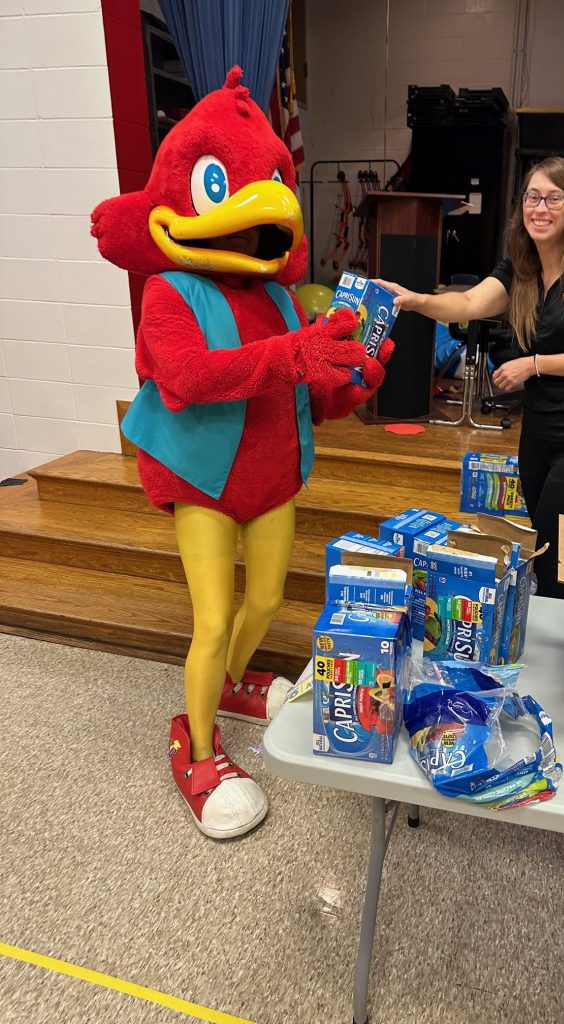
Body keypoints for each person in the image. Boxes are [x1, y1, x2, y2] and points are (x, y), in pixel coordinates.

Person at [91, 68, 392, 840]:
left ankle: (226, 688)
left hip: (271, 477)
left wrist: (350, 384)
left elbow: (310, 394)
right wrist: (295, 356)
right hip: (203, 478)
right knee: (214, 618)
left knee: (265, 603)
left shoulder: (285, 299)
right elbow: (188, 377)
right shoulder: (169, 292)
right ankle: (194, 750)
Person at [376, 156, 564, 600]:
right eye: (533, 197)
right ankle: (551, 627)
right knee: (545, 544)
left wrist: (535, 364)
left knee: (554, 548)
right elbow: (469, 304)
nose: (541, 208)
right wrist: (418, 300)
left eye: (554, 198)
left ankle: (560, 635)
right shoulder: (521, 268)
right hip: (541, 429)